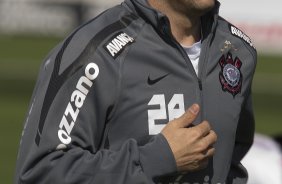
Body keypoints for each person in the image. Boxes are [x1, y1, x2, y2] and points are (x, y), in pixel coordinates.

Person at [14, 0, 257, 183]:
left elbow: (230, 163)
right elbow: (41, 172)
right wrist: (158, 159)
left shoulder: (237, 52)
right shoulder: (95, 53)